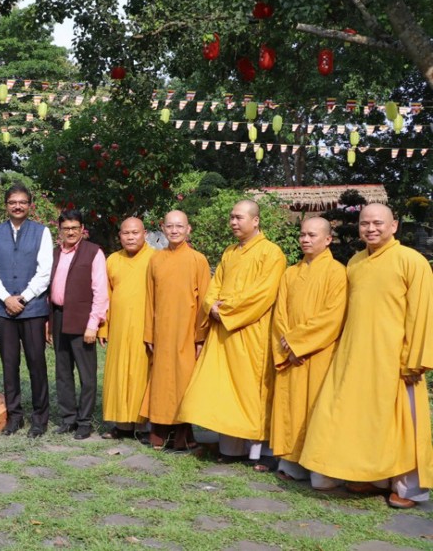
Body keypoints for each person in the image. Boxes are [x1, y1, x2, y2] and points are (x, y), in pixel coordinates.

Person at [301, 204, 433, 508]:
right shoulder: (356, 263)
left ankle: (407, 488)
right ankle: (369, 475)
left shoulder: (411, 262)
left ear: (394, 225)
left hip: (396, 359)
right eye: (364, 224)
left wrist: (414, 359)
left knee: (402, 423)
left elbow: (422, 314)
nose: (370, 229)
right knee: (362, 418)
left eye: (377, 223)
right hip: (357, 354)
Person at [178, 200, 286, 467]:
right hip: (224, 331)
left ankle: (255, 451)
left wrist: (226, 312)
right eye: (231, 218)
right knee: (223, 389)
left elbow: (263, 295)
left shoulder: (271, 253)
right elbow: (215, 286)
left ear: (256, 221)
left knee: (249, 391)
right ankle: (230, 448)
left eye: (239, 218)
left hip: (250, 332)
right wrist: (210, 306)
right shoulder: (229, 252)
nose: (233, 223)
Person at [269, 217, 346, 486]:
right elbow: (279, 315)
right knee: (291, 409)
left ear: (327, 239)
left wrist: (299, 342)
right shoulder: (290, 273)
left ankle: (320, 468)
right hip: (290, 355)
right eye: (302, 235)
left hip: (319, 354)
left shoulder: (337, 272)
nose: (305, 240)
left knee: (316, 410)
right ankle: (291, 464)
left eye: (312, 235)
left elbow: (333, 317)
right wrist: (287, 344)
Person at [0, 182, 53, 437]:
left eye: (22, 202)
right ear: (6, 206)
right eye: (13, 202)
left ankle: (39, 418)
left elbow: (45, 271)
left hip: (32, 309)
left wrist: (23, 297)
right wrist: (5, 298)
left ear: (30, 205)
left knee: (36, 363)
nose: (18, 206)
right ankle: (14, 417)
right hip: (3, 310)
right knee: (9, 364)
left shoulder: (42, 233)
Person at [141, 211, 210, 450]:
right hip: (161, 331)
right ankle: (159, 432)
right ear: (162, 228)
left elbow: (204, 302)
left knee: (183, 382)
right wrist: (149, 333)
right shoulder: (155, 259)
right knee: (160, 382)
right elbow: (150, 299)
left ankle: (183, 435)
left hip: (186, 332)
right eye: (169, 226)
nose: (174, 230)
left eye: (179, 226)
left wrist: (200, 337)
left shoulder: (197, 260)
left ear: (188, 229)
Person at [46, 209, 107, 440]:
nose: (70, 232)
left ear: (82, 229)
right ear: (59, 231)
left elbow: (100, 291)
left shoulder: (94, 253)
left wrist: (94, 324)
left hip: (83, 320)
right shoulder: (54, 254)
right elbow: (48, 290)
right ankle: (68, 418)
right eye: (66, 228)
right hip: (59, 316)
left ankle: (84, 421)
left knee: (87, 374)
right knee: (62, 372)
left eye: (74, 228)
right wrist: (48, 322)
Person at [100, 217, 154, 440]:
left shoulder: (156, 259)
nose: (130, 237)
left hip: (146, 329)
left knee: (143, 375)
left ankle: (144, 426)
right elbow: (106, 296)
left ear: (145, 234)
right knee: (119, 374)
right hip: (120, 328)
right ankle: (122, 425)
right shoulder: (112, 259)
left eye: (135, 233)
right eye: (126, 233)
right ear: (119, 235)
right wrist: (103, 328)